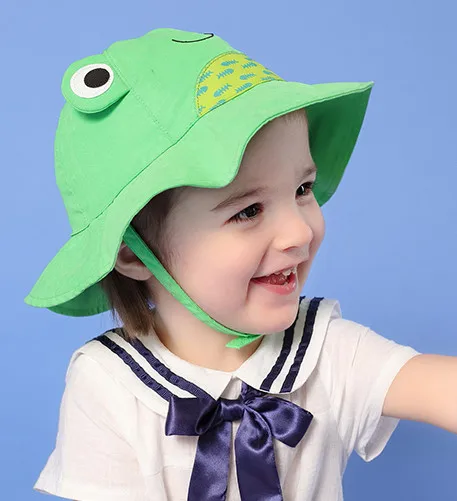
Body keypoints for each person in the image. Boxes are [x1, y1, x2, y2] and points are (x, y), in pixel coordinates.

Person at [25, 27, 456, 501]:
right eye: (248, 210)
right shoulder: (109, 384)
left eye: (303, 189)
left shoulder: (327, 353)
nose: (299, 232)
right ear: (132, 252)